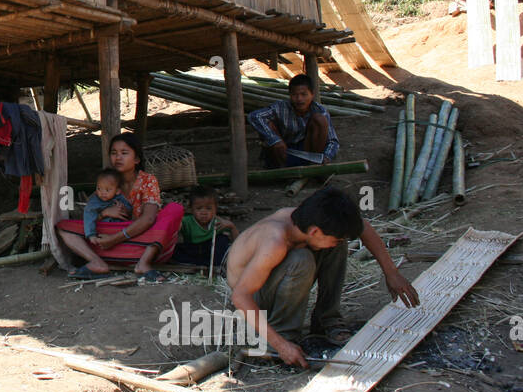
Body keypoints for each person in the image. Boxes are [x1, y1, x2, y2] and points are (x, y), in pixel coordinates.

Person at [226, 186, 420, 368]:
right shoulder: (274, 242)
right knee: (301, 260)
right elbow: (240, 297)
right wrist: (280, 344)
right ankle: (281, 340)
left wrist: (391, 273)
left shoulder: (310, 220)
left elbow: (362, 227)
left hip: (269, 282)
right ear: (315, 231)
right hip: (253, 302)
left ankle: (327, 320)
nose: (337, 241)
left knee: (335, 243)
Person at [56, 132, 184, 279]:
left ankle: (143, 264)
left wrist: (114, 239)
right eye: (114, 153)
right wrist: (105, 213)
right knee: (63, 227)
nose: (118, 157)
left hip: (144, 242)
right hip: (109, 241)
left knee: (175, 209)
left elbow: (148, 219)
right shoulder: (107, 182)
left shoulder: (148, 181)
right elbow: (90, 213)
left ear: (136, 159)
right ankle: (97, 263)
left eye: (124, 153)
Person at [247, 74, 339, 167]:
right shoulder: (281, 107)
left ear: (312, 94)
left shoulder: (320, 111)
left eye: (303, 94)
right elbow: (254, 116)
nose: (299, 99)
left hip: (307, 152)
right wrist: (275, 140)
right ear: (290, 95)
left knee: (320, 120)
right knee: (269, 124)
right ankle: (282, 170)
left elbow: (332, 141)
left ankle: (313, 164)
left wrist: (327, 157)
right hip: (282, 151)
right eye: (295, 95)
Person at [171, 185, 237, 267]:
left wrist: (232, 226)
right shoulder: (187, 221)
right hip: (193, 250)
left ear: (215, 209)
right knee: (176, 250)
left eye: (208, 208)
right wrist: (177, 225)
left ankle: (214, 264)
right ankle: (198, 264)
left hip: (211, 253)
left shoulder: (218, 222)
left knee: (222, 240)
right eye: (199, 208)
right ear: (191, 209)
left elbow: (237, 242)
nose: (204, 212)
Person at [82, 169, 132, 245]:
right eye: (99, 188)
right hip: (102, 230)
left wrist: (125, 209)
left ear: (117, 191)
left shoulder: (120, 198)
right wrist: (91, 235)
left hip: (119, 233)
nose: (102, 193)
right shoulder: (94, 202)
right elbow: (88, 217)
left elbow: (129, 211)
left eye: (107, 190)